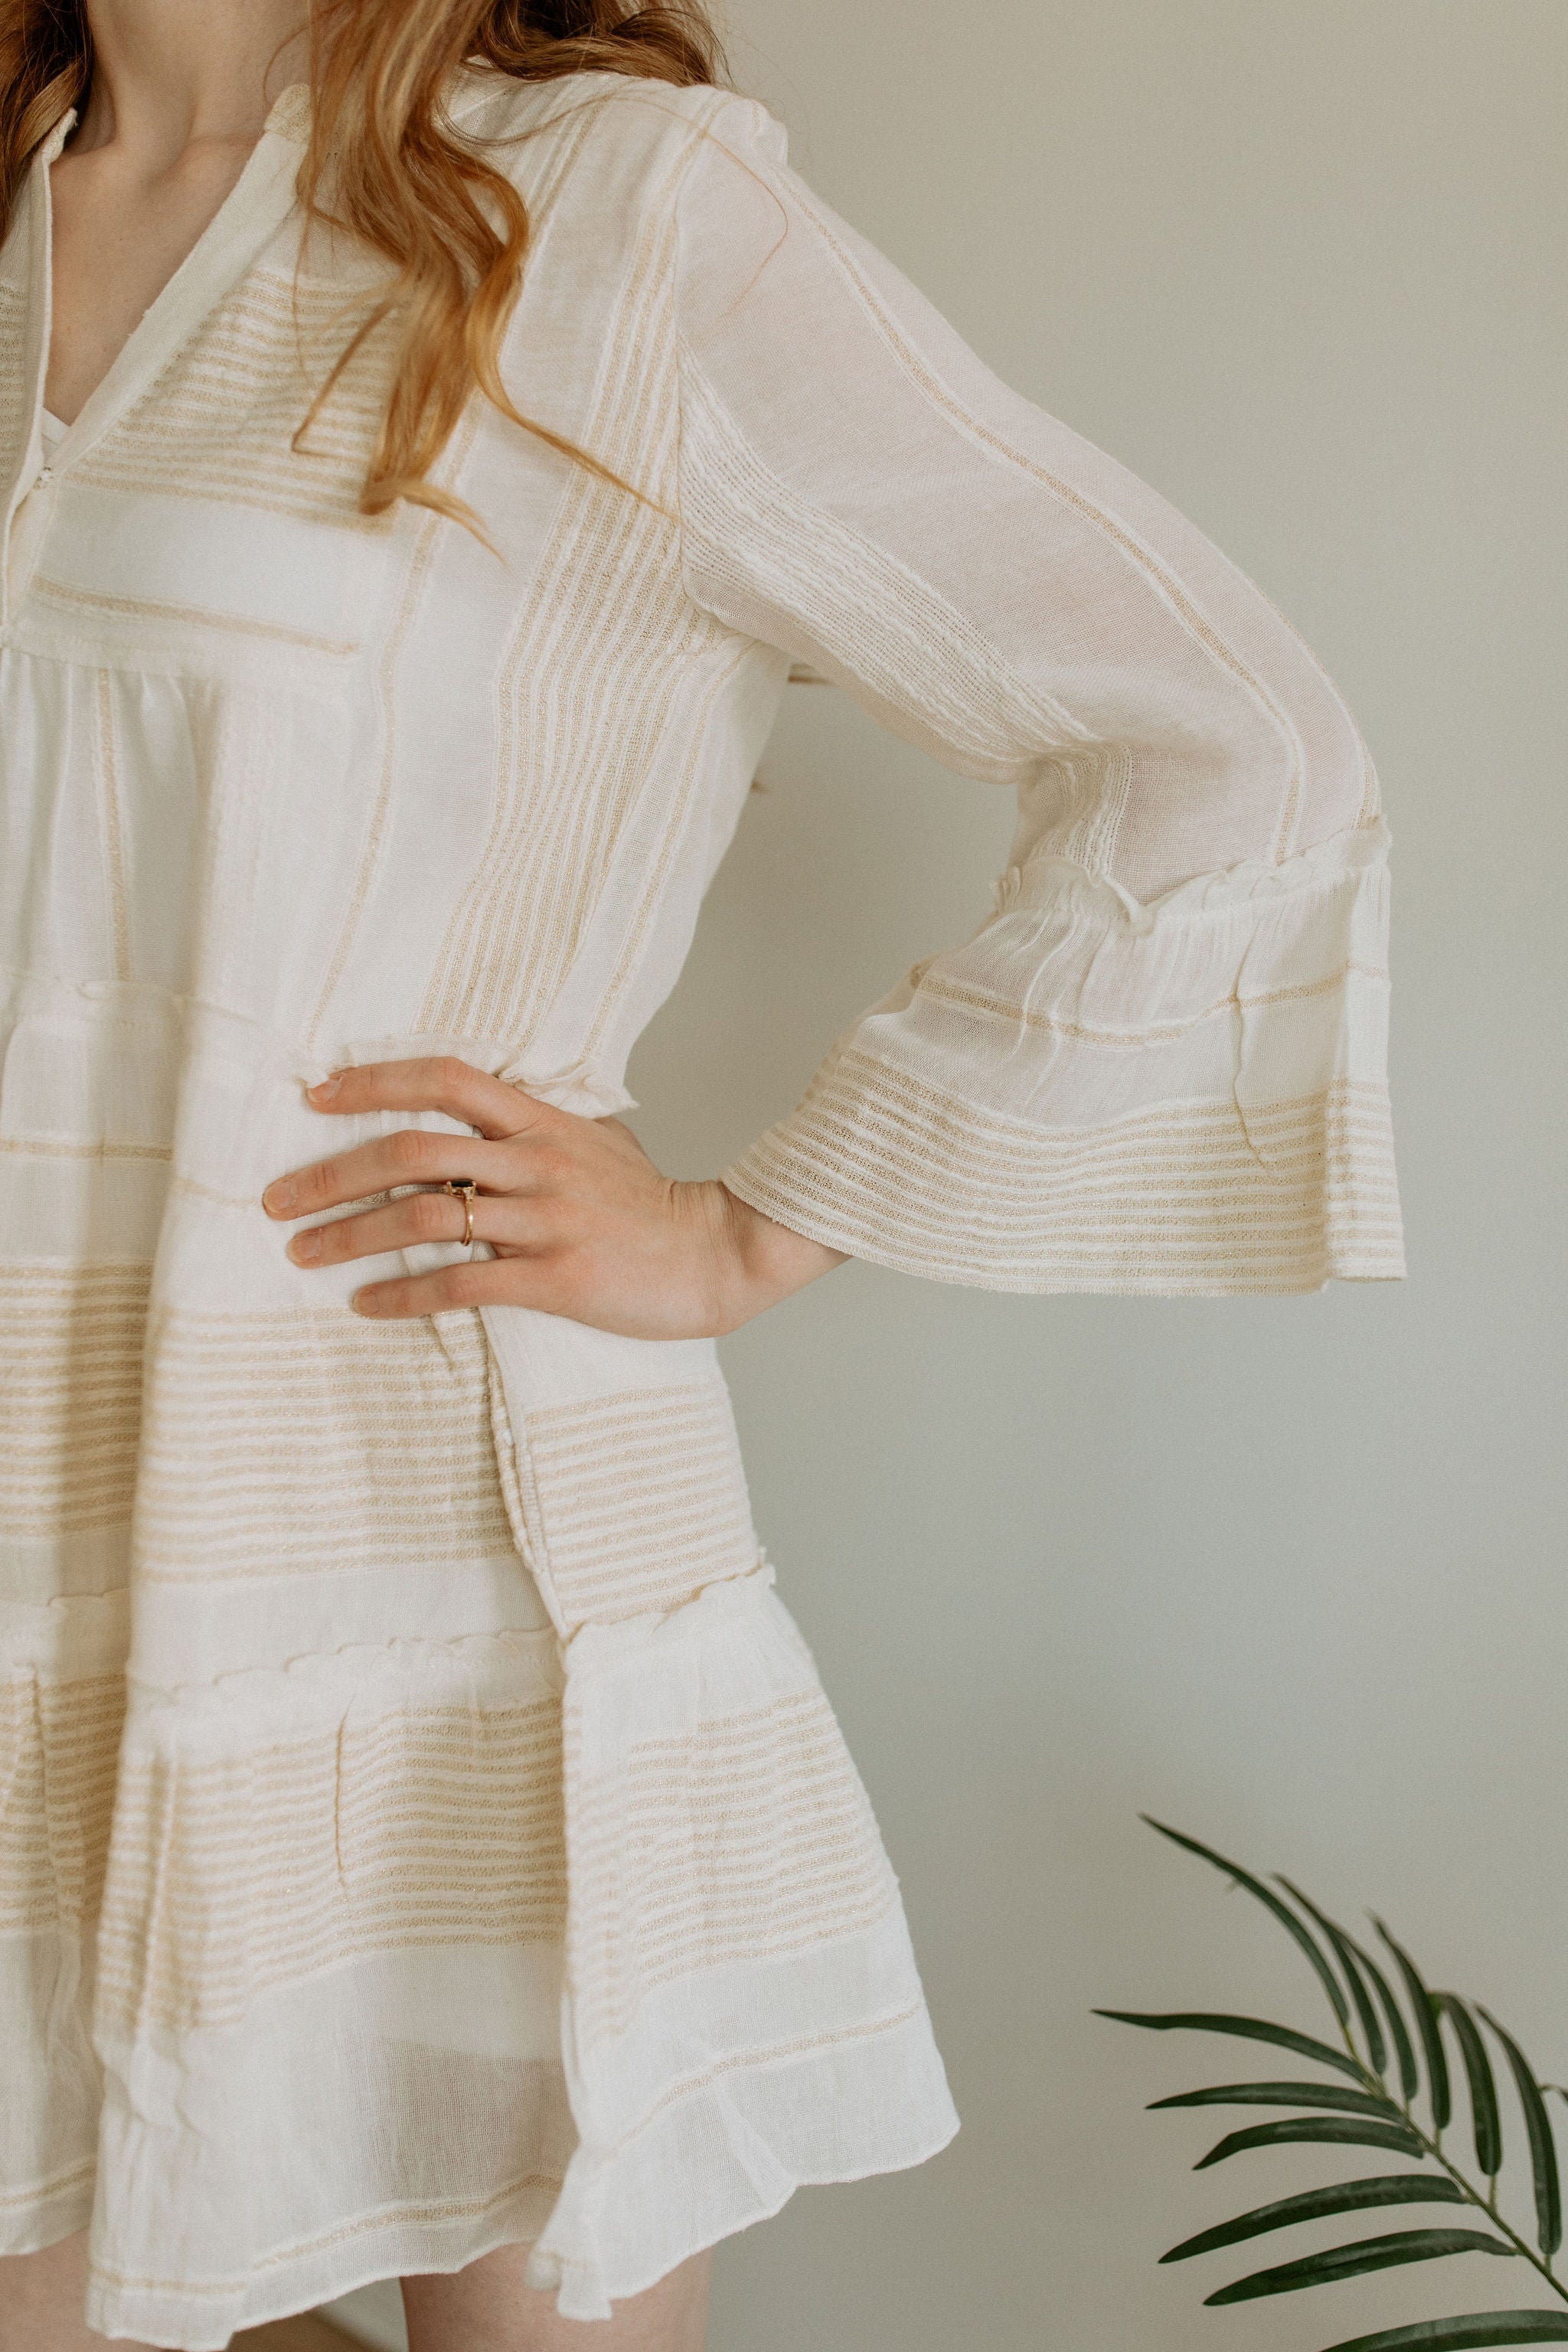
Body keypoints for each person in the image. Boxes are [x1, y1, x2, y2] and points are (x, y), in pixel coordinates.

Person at [0, 0, 1406, 2346]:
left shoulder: (613, 209)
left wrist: (747, 1227)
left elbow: (1233, 746)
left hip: (432, 1523)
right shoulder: (19, 206)